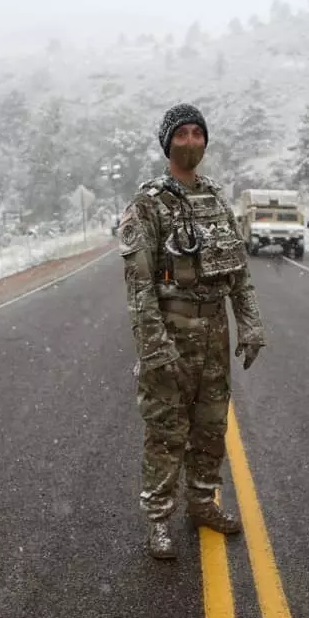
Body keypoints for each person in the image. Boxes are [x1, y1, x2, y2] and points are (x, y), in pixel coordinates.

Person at [118, 103, 266, 559]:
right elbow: (139, 287)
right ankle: (159, 519)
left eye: (196, 133)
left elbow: (238, 272)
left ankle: (202, 502)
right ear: (168, 143)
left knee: (210, 426)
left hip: (214, 332)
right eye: (180, 134)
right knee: (165, 431)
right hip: (171, 332)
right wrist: (156, 347)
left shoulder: (217, 200)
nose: (190, 141)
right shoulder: (148, 205)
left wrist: (251, 324)